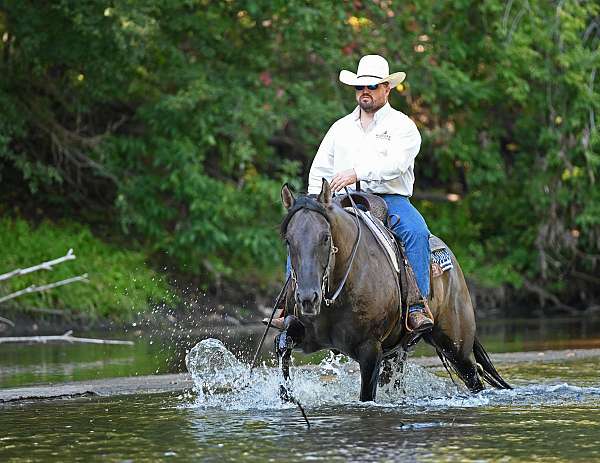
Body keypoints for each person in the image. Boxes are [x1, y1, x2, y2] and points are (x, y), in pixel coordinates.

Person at [269, 54, 433, 333]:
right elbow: (320, 169)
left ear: (387, 88)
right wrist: (311, 203)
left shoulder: (402, 126)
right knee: (303, 230)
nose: (365, 92)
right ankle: (289, 305)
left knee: (416, 232)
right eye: (360, 87)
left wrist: (358, 172)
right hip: (339, 202)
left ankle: (416, 306)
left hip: (389, 199)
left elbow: (397, 164)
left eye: (372, 86)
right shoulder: (340, 128)